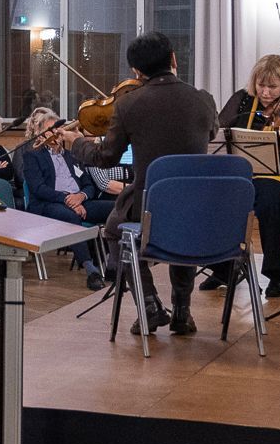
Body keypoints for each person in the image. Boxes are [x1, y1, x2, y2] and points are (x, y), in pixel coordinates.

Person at [50, 32, 219, 336]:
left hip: (149, 204)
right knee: (181, 235)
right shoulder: (203, 99)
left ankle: (150, 304)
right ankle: (182, 310)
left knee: (115, 229)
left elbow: (104, 158)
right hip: (196, 204)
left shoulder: (129, 105)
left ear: (137, 72)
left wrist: (76, 143)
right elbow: (208, 135)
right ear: (174, 60)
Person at [216, 54, 280, 298]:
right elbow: (219, 131)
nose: (266, 92)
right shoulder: (241, 100)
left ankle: (276, 275)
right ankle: (223, 268)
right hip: (241, 172)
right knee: (214, 196)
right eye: (261, 85)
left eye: (273, 86)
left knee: (275, 200)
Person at [17, 108, 118, 290]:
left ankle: (114, 264)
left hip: (80, 202)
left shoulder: (73, 155)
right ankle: (91, 270)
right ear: (41, 133)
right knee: (71, 217)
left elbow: (89, 185)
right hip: (48, 205)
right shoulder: (32, 156)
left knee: (117, 208)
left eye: (57, 129)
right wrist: (67, 200)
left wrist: (80, 197)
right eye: (49, 129)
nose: (54, 133)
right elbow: (38, 189)